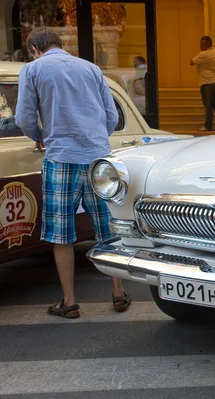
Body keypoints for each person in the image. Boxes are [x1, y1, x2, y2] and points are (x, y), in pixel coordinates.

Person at [15, 27, 131, 318]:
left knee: (61, 234)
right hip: (98, 159)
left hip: (61, 158)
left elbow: (24, 118)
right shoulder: (91, 68)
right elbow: (112, 116)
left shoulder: (32, 70)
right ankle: (118, 292)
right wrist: (94, 139)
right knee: (108, 229)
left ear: (34, 49)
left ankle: (69, 301)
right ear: (60, 44)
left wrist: (40, 135)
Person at [190, 36, 215, 131]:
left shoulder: (204, 54)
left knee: (208, 105)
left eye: (203, 44)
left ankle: (207, 125)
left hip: (208, 82)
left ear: (209, 44)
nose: (201, 45)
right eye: (200, 43)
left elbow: (191, 62)